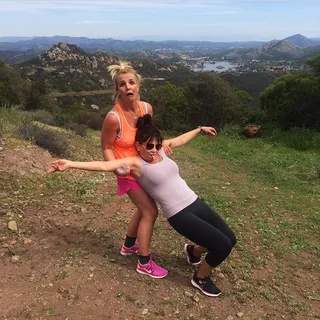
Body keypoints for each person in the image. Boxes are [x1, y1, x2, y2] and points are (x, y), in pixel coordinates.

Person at [48, 115, 236, 297]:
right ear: (138, 146)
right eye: (149, 146)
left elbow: (180, 139)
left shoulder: (161, 150)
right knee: (222, 246)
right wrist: (70, 163)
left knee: (230, 238)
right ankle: (200, 278)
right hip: (179, 214)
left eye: (157, 145)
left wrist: (200, 129)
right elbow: (105, 166)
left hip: (195, 202)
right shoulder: (136, 163)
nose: (154, 150)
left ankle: (193, 252)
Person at [101, 60, 169, 278]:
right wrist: (115, 169)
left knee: (143, 209)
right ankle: (144, 262)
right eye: (122, 84)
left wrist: (159, 149)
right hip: (127, 172)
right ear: (117, 90)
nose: (128, 87)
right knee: (150, 211)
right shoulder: (114, 118)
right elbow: (106, 146)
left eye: (131, 82)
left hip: (144, 169)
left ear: (138, 85)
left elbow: (150, 137)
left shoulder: (147, 108)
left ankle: (129, 245)